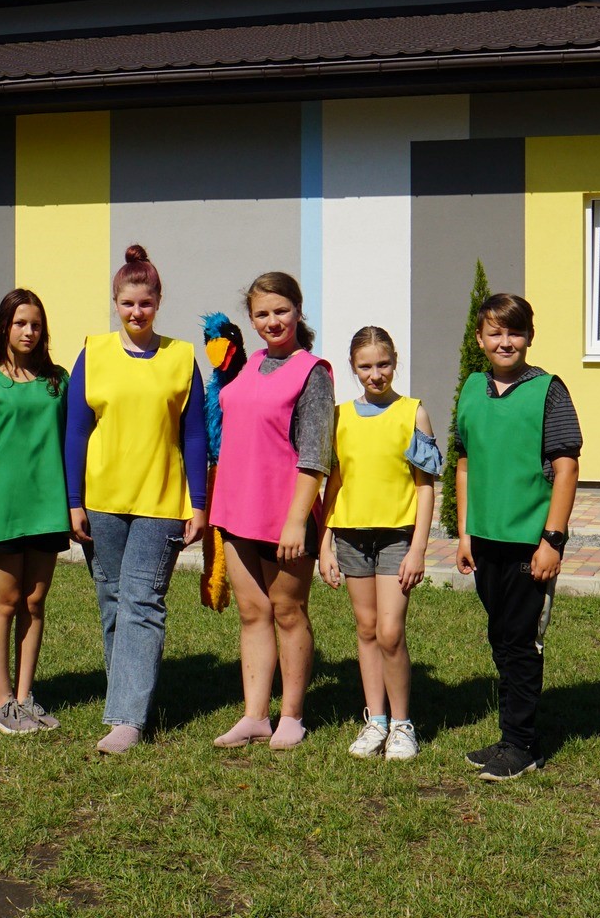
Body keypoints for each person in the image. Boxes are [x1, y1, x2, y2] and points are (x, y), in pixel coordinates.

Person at [66, 244, 209, 755]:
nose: (136, 312)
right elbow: (77, 431)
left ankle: (127, 718)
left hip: (160, 500)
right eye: (127, 303)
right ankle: (126, 699)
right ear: (115, 302)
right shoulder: (93, 353)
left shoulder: (181, 357)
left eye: (145, 303)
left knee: (142, 602)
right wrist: (74, 499)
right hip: (102, 501)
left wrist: (199, 502)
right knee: (112, 600)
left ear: (158, 301)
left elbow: (194, 435)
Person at [453, 293, 581, 782]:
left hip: (530, 541)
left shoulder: (549, 390)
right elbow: (464, 465)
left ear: (529, 335)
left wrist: (552, 539)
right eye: (495, 333)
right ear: (480, 339)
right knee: (500, 638)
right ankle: (509, 736)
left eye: (514, 332)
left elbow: (567, 468)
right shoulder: (471, 388)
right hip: (485, 539)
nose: (505, 341)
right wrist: (465, 532)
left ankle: (523, 745)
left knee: (521, 642)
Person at [209, 272, 332, 751]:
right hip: (237, 509)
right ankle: (255, 715)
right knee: (252, 612)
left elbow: (316, 454)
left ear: (298, 310)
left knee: (288, 611)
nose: (272, 321)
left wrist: (298, 520)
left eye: (281, 310)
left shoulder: (313, 371)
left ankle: (292, 716)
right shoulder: (251, 363)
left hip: (285, 517)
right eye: (262, 313)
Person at [318, 326, 440, 761]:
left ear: (395, 362)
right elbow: (333, 485)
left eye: (383, 364)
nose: (376, 374)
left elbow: (425, 488)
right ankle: (376, 720)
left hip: (396, 537)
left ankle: (403, 724)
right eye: (366, 366)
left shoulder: (413, 414)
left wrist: (418, 548)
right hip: (351, 535)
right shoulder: (340, 416)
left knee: (390, 632)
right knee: (367, 630)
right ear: (354, 368)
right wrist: (324, 544)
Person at [0, 289, 71, 734]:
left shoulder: (57, 380)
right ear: (5, 326)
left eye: (36, 324)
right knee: (3, 604)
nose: (29, 331)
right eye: (21, 322)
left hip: (47, 506)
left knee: (35, 602)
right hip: (0, 506)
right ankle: (0, 702)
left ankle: (25, 697)